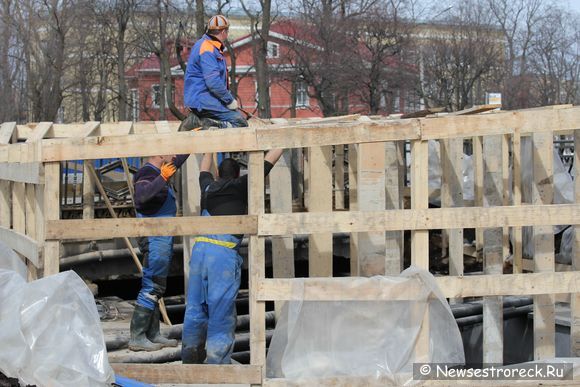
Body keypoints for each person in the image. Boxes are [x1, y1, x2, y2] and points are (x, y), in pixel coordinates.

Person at [182, 149, 284, 364]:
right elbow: (268, 161)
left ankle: (190, 358)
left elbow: (203, 167)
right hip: (222, 254)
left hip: (200, 252)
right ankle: (217, 365)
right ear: (238, 174)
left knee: (195, 307)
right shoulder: (241, 185)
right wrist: (282, 141)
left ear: (218, 173)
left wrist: (210, 146)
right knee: (221, 310)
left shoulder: (208, 186)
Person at [128, 153, 189, 351]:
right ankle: (137, 337)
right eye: (170, 152)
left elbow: (177, 159)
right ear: (160, 153)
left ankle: (152, 334)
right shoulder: (148, 172)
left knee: (156, 286)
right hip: (154, 238)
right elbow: (142, 197)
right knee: (152, 286)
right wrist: (162, 179)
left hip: (160, 237)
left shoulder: (159, 169)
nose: (173, 155)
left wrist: (193, 134)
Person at [180, 14, 247, 132]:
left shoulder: (205, 45)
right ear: (223, 32)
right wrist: (229, 100)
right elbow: (213, 82)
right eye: (227, 32)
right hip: (204, 101)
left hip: (203, 100)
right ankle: (204, 122)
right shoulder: (208, 49)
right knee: (240, 123)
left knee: (235, 119)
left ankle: (201, 121)